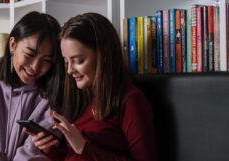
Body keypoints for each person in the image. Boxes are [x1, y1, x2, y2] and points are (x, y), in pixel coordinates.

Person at [29, 12, 158, 161]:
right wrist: (50, 150)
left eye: (78, 60)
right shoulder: (82, 97)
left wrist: (83, 148)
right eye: (66, 62)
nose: (70, 70)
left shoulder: (131, 101)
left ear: (104, 55)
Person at [0, 11, 64, 161]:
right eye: (29, 55)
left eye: (46, 60)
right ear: (12, 45)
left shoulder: (53, 94)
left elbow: (36, 153)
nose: (35, 67)